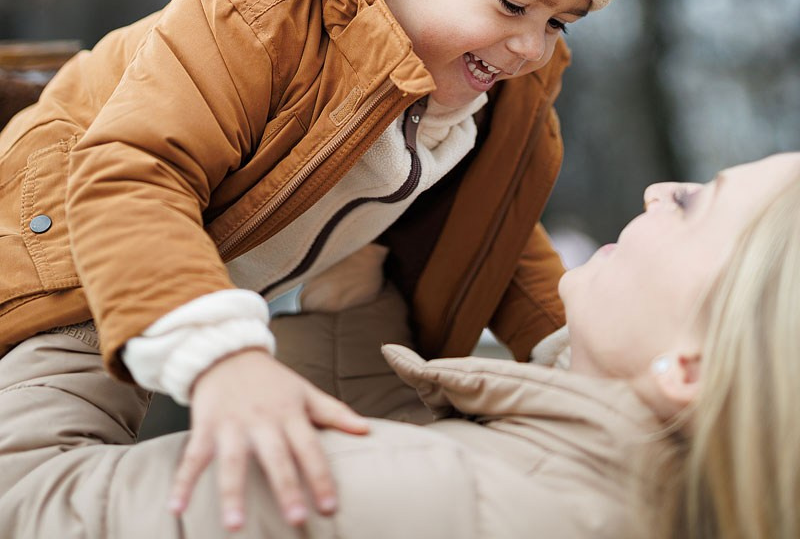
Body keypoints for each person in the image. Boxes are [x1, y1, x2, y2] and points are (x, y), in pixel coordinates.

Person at [0, 0, 637, 531]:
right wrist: (222, 361)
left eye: (560, 22)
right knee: (27, 495)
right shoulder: (256, 12)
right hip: (73, 244)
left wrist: (582, 362)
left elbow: (504, 237)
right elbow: (134, 171)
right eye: (514, 3)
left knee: (378, 334)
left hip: (278, 275)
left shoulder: (487, 93)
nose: (531, 45)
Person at [0, 153, 797, 539]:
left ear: (692, 368)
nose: (661, 191)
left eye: (696, 204)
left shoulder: (432, 502)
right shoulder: (622, 504)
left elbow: (27, 501)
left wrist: (105, 247)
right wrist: (350, 292)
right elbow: (408, 457)